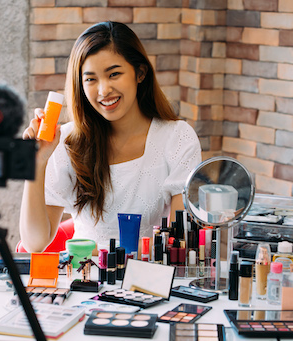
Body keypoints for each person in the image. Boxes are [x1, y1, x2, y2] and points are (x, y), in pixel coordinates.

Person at [20, 21, 201, 252]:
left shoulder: (176, 138)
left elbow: (178, 242)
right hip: (83, 279)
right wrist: (37, 163)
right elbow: (34, 243)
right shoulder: (65, 142)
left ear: (140, 73)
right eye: (91, 79)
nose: (104, 90)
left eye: (114, 74)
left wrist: (109, 254)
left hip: (147, 279)